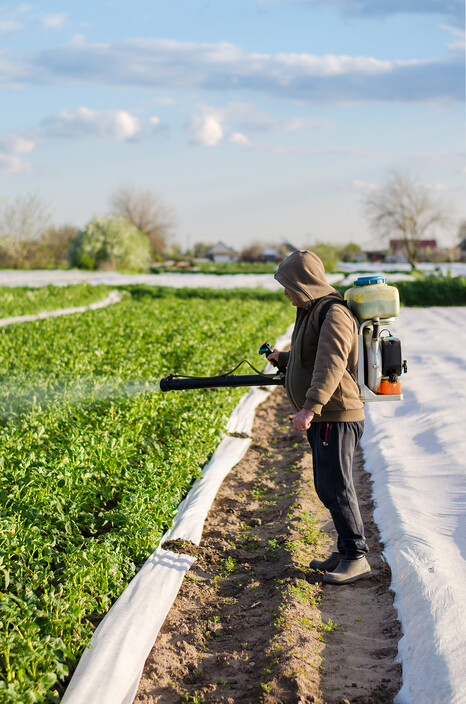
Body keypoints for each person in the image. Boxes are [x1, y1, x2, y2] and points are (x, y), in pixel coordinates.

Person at [267, 250, 371, 585]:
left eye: (288, 284)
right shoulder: (312, 310)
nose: (285, 291)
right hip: (328, 417)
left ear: (303, 281)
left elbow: (331, 364)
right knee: (327, 485)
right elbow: (309, 355)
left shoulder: (334, 312)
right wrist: (284, 359)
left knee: (336, 486)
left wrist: (310, 408)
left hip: (336, 414)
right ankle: (343, 552)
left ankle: (356, 558)